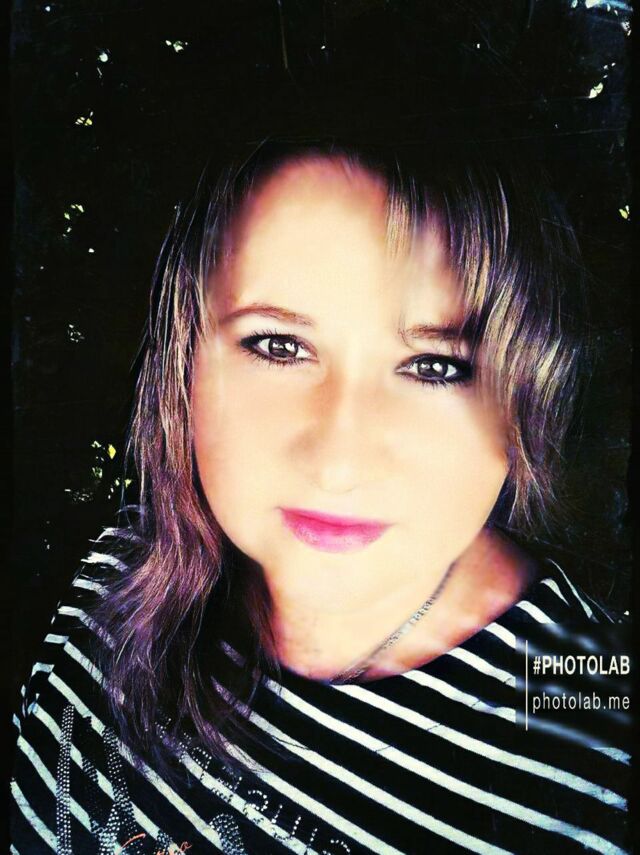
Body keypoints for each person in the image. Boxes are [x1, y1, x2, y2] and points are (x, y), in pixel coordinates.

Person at [10, 138, 630, 854]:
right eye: (278, 346)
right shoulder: (123, 566)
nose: (338, 465)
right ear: (184, 359)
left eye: (434, 366)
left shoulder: (593, 773)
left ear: (531, 389)